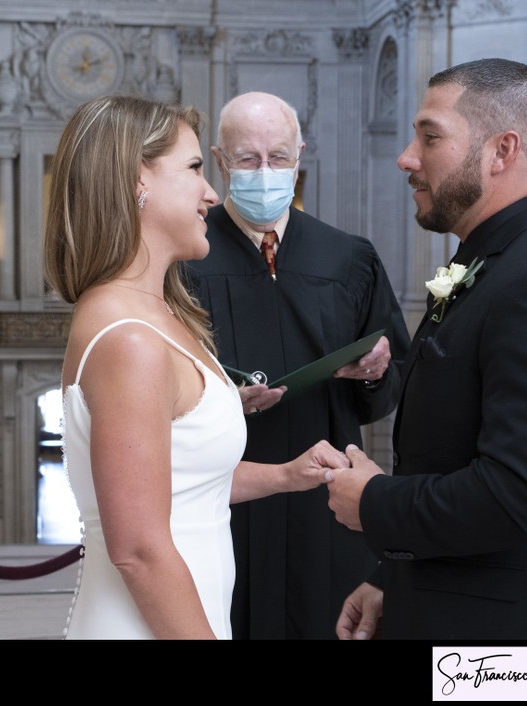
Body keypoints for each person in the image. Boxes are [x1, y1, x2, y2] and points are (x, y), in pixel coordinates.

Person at [325, 58, 527, 640]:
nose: (407, 157)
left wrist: (375, 503)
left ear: (502, 151)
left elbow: (522, 497)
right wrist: (392, 577)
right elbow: (451, 456)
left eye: (430, 136)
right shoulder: (487, 265)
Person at [43, 94, 349, 640]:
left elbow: (176, 481)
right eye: (193, 169)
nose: (212, 192)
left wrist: (284, 475)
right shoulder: (130, 337)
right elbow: (138, 549)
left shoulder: (154, 312)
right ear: (138, 181)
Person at [185, 91, 411, 639]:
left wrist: (377, 371)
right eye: (247, 159)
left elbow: (391, 384)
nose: (265, 171)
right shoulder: (187, 258)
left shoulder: (349, 259)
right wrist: (220, 403)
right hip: (227, 505)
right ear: (219, 161)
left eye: (279, 157)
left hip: (327, 504)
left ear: (300, 155)